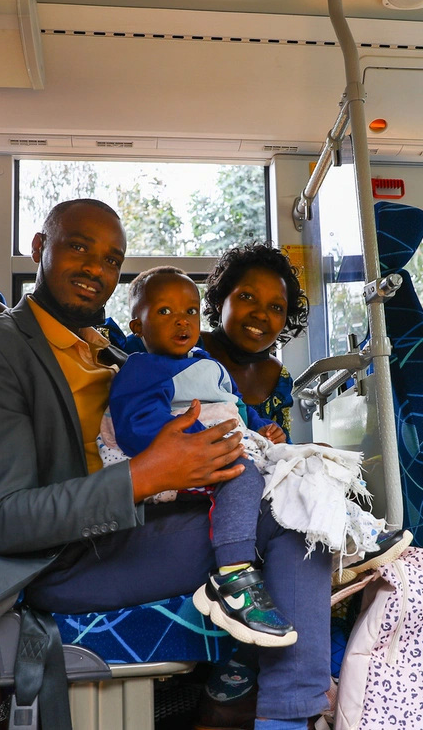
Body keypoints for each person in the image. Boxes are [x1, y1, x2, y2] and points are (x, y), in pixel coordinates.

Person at [0, 199, 331, 730]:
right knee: (295, 515)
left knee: (300, 494)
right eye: (78, 247)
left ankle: (276, 701)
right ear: (38, 249)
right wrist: (148, 475)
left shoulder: (109, 351)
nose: (95, 269)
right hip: (63, 559)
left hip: (142, 523)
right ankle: (288, 715)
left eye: (111, 259)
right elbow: (0, 521)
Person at [108, 266, 294, 647]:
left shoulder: (206, 364)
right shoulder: (142, 368)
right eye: (164, 312)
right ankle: (233, 576)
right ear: (137, 327)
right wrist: (204, 442)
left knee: (301, 469)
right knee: (241, 475)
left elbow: (236, 408)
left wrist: (264, 429)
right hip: (180, 467)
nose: (181, 321)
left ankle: (354, 534)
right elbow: (138, 425)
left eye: (190, 311)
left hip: (226, 444)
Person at [201, 243, 310, 443]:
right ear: (220, 300)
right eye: (247, 297)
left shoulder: (278, 377)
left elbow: (281, 447)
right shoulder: (188, 347)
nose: (261, 314)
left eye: (276, 307)